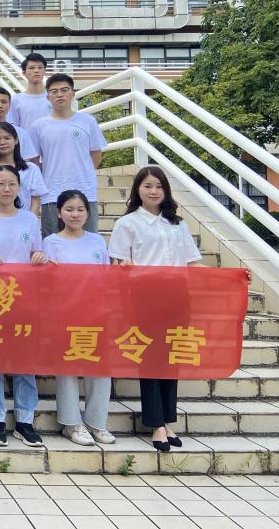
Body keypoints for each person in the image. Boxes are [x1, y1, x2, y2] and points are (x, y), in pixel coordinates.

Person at [108, 165, 205, 453]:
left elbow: (193, 263)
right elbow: (117, 264)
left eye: (159, 186)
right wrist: (124, 268)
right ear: (138, 189)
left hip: (177, 297)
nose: (153, 191)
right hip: (145, 298)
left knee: (171, 357)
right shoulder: (127, 224)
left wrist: (233, 277)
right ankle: (156, 423)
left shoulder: (177, 223)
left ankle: (166, 419)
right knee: (150, 358)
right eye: (148, 186)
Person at [0, 164, 48, 448]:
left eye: (12, 183)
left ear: (19, 188)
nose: (6, 188)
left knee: (24, 359)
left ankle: (25, 420)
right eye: (1, 183)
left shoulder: (29, 219)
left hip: (23, 297)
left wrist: (39, 256)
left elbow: (37, 252)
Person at [43, 190, 115, 447]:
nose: (75, 214)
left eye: (80, 209)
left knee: (100, 368)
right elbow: (46, 281)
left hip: (95, 312)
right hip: (65, 313)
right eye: (69, 209)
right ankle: (71, 423)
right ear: (59, 213)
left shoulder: (97, 241)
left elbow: (107, 276)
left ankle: (96, 422)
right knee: (68, 369)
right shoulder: (50, 242)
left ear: (88, 212)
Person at [29, 73, 107, 236]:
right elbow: (34, 161)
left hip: (85, 191)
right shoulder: (38, 126)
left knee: (88, 240)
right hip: (52, 193)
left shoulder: (87, 121)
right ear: (47, 97)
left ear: (73, 94)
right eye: (54, 91)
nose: (59, 94)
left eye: (64, 90)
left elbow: (96, 153)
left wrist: (83, 172)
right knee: (53, 241)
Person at [0, 123, 47, 215]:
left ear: (16, 140)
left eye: (7, 138)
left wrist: (29, 221)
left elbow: (35, 202)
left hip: (24, 222)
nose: (2, 142)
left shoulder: (31, 169)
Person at [13, 53, 53, 129]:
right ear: (24, 73)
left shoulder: (53, 98)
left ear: (44, 71)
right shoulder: (15, 100)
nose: (36, 71)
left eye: (40, 67)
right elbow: (13, 128)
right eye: (31, 68)